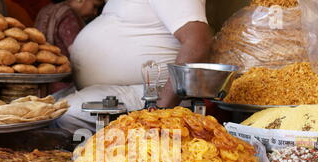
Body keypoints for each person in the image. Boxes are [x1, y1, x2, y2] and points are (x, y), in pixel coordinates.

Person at [57, 0, 212, 133]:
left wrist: (158, 113)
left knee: (64, 114)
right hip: (117, 89)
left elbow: (198, 43)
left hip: (155, 94)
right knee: (47, 108)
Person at [35, 0, 102, 58]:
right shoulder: (68, 15)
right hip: (63, 70)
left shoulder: (44, 10)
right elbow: (78, 55)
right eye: (95, 6)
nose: (95, 13)